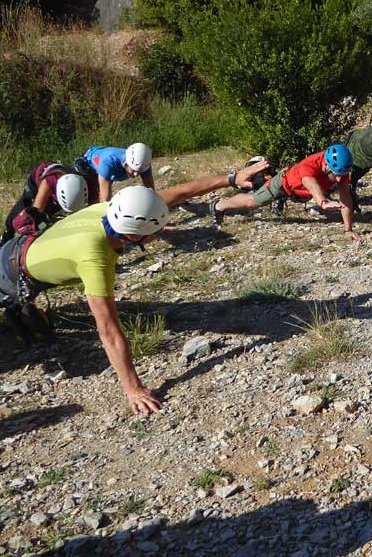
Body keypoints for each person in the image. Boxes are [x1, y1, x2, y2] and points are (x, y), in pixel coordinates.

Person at [0, 161, 269, 414]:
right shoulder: (95, 257)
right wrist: (134, 388)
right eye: (159, 229)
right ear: (137, 235)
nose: (162, 232)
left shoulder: (116, 209)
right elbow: (108, 330)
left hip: (23, 247)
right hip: (10, 275)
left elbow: (179, 193)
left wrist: (231, 179)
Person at [209, 145, 363, 242]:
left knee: (340, 189)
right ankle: (219, 205)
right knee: (254, 201)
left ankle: (280, 201)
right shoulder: (309, 165)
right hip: (283, 184)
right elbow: (311, 183)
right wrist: (322, 202)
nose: (338, 178)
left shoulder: (340, 169)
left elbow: (345, 198)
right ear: (325, 163)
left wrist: (348, 229)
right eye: (335, 174)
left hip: (300, 193)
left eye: (340, 175)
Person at [1, 161, 99, 244]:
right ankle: (5, 237)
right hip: (37, 182)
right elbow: (35, 214)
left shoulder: (91, 185)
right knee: (24, 219)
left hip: (62, 185)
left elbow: (95, 214)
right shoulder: (48, 183)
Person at [84, 143, 155, 202]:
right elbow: (105, 200)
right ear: (126, 163)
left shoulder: (143, 164)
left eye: (140, 171)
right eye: (134, 170)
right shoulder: (108, 164)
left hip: (105, 160)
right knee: (93, 199)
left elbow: (152, 192)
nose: (136, 174)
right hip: (89, 165)